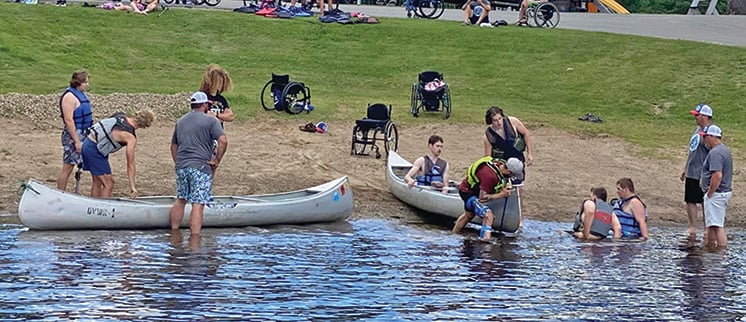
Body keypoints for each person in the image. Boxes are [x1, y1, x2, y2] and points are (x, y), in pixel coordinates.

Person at [170, 91, 228, 236]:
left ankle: (174, 234)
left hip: (182, 166)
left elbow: (173, 146)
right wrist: (216, 160)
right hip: (201, 167)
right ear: (204, 105)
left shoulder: (181, 121)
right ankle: (194, 240)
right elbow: (223, 141)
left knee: (181, 199)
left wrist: (178, 163)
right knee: (198, 203)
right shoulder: (211, 120)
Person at [81, 110, 155, 198]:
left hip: (87, 143)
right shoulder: (130, 137)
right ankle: (102, 208)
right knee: (108, 184)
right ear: (145, 126)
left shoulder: (119, 115)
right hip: (95, 151)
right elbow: (130, 163)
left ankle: (92, 206)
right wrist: (132, 187)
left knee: (97, 181)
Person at [483, 106, 533, 227]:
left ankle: (520, 219)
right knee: (504, 188)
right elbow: (488, 158)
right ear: (490, 121)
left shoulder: (513, 122)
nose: (499, 122)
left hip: (517, 161)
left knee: (519, 188)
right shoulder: (488, 136)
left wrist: (530, 153)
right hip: (503, 165)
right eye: (495, 120)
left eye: (500, 118)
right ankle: (502, 214)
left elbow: (526, 134)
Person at [452, 157, 524, 240]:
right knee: (488, 215)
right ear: (508, 171)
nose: (511, 177)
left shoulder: (500, 164)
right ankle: (485, 243)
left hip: (474, 190)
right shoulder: (489, 176)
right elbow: (482, 198)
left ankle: (454, 234)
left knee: (469, 215)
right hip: (468, 192)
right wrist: (501, 194)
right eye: (512, 175)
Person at [56, 71, 93, 192]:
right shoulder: (69, 97)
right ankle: (60, 193)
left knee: (82, 165)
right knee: (68, 166)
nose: (87, 85)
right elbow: (69, 120)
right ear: (78, 83)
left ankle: (77, 190)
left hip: (85, 133)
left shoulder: (82, 95)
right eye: (85, 82)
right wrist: (76, 141)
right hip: (73, 135)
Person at [680, 103, 713, 235]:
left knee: (705, 201)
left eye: (697, 116)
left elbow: (712, 152)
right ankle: (693, 226)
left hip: (703, 173)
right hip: (692, 171)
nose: (695, 118)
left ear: (705, 116)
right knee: (690, 200)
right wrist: (686, 168)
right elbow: (692, 150)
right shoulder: (696, 130)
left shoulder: (710, 132)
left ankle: (707, 227)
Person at [699, 125, 733, 247]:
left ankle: (717, 254)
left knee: (717, 226)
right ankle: (711, 251)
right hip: (722, 192)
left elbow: (717, 175)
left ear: (712, 136)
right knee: (712, 225)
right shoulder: (724, 150)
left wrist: (710, 193)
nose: (704, 140)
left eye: (705, 136)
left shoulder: (715, 153)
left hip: (717, 193)